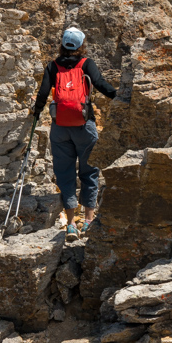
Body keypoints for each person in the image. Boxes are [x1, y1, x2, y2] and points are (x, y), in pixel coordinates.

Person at [32, 26, 117, 239]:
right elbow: (100, 84)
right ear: (81, 45)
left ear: (62, 44)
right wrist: (120, 96)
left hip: (60, 126)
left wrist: (36, 113)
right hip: (84, 125)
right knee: (89, 172)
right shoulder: (86, 63)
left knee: (65, 173)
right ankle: (88, 221)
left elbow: (43, 92)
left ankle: (71, 224)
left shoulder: (52, 66)